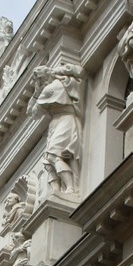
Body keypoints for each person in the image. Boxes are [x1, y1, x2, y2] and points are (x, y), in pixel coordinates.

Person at [28, 62, 85, 195]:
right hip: (58, 121)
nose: (40, 82)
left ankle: (70, 188)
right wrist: (37, 91)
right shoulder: (62, 82)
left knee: (54, 156)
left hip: (65, 120)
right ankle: (56, 191)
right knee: (48, 161)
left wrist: (53, 73)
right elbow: (31, 113)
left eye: (40, 79)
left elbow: (33, 112)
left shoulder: (54, 87)